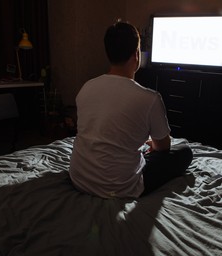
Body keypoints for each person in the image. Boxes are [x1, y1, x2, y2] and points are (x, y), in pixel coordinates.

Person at [69, 20, 192, 198]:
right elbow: (163, 146)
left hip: (79, 178)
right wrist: (152, 143)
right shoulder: (150, 98)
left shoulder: (86, 87)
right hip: (119, 187)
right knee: (184, 152)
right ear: (136, 54)